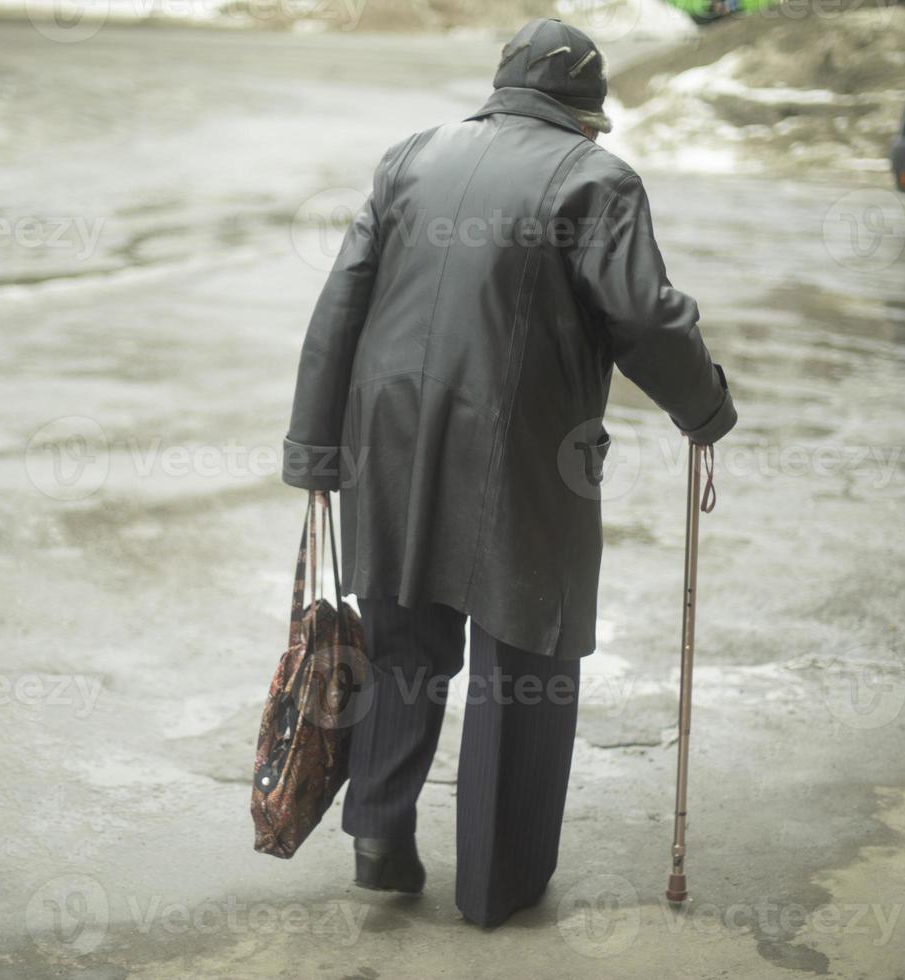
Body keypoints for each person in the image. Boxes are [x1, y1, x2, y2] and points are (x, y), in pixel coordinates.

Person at [281, 18, 737, 928]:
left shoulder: (410, 158)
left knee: (404, 635)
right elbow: (644, 317)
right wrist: (705, 407)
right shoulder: (596, 179)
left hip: (392, 437)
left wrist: (316, 450)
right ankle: (498, 882)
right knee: (527, 649)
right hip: (524, 448)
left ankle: (379, 835)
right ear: (585, 112)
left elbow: (341, 304)